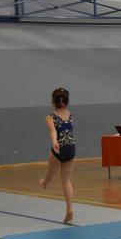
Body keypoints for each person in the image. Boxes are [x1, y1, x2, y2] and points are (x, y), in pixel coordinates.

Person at [39, 88, 76, 223]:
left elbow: (52, 131)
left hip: (59, 148)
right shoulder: (70, 115)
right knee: (66, 180)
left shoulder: (50, 117)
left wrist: (54, 141)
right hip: (71, 148)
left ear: (53, 102)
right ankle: (69, 208)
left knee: (50, 174)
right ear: (66, 101)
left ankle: (45, 181)